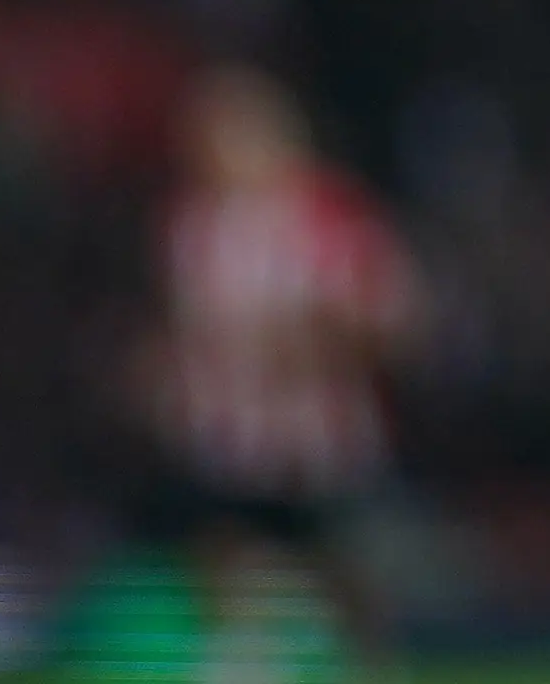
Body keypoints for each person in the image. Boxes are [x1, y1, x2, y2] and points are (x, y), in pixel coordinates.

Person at [148, 65, 420, 659]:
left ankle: (373, 663)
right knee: (225, 554)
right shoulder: (194, 228)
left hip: (319, 434)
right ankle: (243, 662)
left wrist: (319, 342)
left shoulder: (330, 216)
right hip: (231, 433)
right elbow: (188, 329)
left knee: (340, 569)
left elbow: (392, 321)